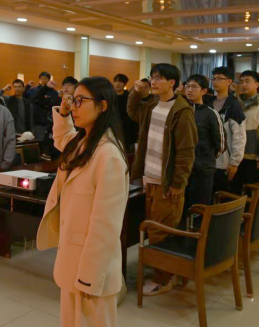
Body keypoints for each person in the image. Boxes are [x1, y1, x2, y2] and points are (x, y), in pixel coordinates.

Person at [36, 76, 128, 327]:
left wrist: (90, 276)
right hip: (73, 257)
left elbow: (106, 226)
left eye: (80, 101)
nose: (73, 106)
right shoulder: (84, 142)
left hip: (91, 268)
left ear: (102, 106)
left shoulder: (108, 155)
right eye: (72, 100)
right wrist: (64, 113)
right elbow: (62, 138)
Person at [127, 63, 197, 296]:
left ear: (172, 83)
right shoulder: (152, 105)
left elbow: (186, 152)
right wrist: (136, 92)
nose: (153, 82)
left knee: (161, 232)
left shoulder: (181, 111)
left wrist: (178, 183)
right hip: (150, 179)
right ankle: (163, 271)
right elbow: (132, 112)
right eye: (152, 77)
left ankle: (164, 278)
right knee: (154, 228)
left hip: (167, 184)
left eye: (159, 78)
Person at [183, 75, 226, 218]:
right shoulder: (182, 111)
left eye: (194, 87)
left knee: (199, 210)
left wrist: (205, 158)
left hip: (202, 170)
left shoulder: (211, 113)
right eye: (187, 86)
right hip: (183, 169)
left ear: (204, 91)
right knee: (183, 209)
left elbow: (221, 145)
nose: (190, 90)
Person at [210, 66, 246, 194]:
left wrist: (234, 162)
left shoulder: (233, 105)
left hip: (224, 163)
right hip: (208, 162)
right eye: (214, 78)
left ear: (229, 81)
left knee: (223, 196)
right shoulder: (208, 103)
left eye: (220, 78)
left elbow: (239, 136)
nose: (215, 81)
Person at [25, 71, 60, 143]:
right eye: (42, 78)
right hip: (38, 121)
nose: (43, 80)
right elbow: (30, 97)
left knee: (50, 142)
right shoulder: (34, 90)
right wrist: (27, 86)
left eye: (45, 79)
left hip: (50, 121)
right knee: (39, 141)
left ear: (49, 80)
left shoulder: (54, 92)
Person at [113, 73, 139, 152]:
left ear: (125, 84)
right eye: (116, 81)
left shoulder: (129, 96)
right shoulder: (110, 96)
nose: (117, 84)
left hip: (126, 127)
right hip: (112, 126)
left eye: (120, 82)